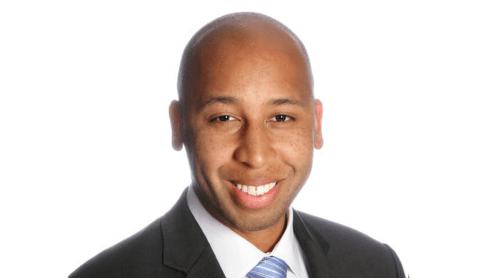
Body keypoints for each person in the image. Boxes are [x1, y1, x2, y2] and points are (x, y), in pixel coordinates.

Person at [69, 12, 406, 278]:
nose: (256, 156)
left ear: (316, 123)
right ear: (179, 125)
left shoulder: (375, 266)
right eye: (224, 119)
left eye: (281, 118)